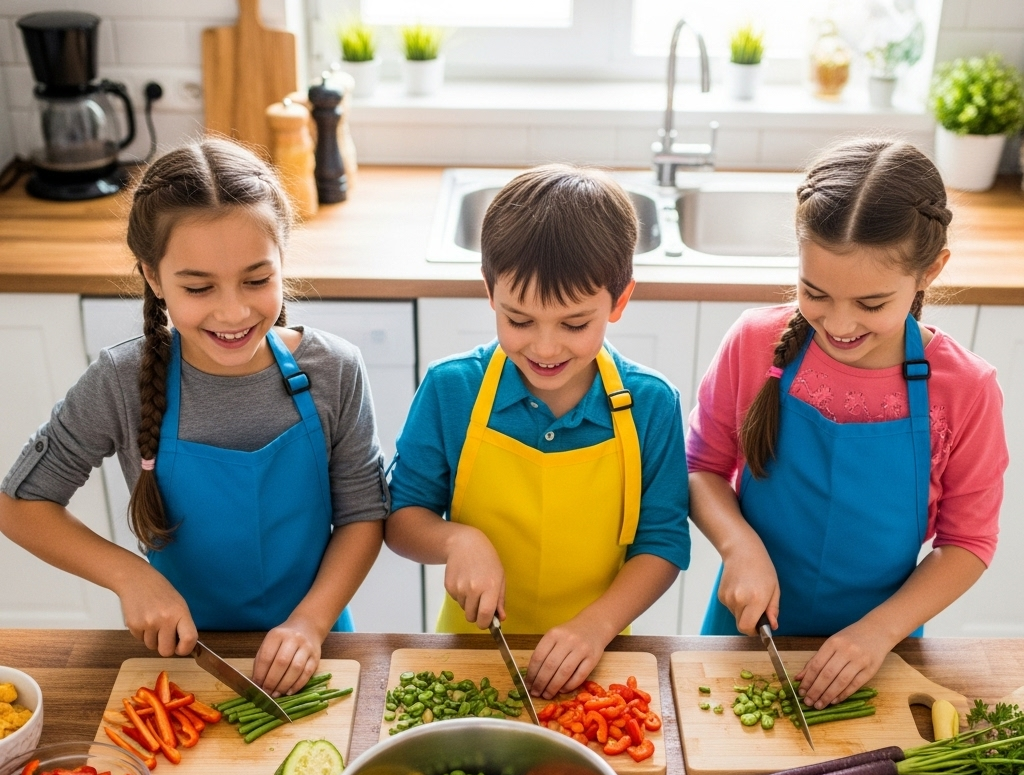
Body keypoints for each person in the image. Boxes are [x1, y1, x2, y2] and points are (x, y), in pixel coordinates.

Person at [0, 139, 389, 696]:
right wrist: (130, 576)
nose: (233, 311)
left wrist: (310, 622)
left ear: (282, 261)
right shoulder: (120, 381)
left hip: (314, 645)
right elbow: (19, 505)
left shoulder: (335, 370)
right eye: (199, 287)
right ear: (154, 278)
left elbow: (364, 515)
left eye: (256, 280)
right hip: (181, 659)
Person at [687, 138, 1007, 709]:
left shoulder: (966, 389)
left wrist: (879, 632)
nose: (838, 323)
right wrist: (739, 547)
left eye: (870, 304)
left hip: (881, 650)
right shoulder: (754, 343)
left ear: (930, 270)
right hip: (745, 637)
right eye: (815, 293)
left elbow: (968, 542)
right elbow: (701, 468)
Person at [385, 164, 691, 699]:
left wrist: (596, 625)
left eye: (574, 324)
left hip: (597, 657)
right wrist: (457, 539)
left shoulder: (650, 404)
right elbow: (400, 519)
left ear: (619, 301)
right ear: (490, 292)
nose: (545, 348)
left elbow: (662, 543)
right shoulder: (451, 390)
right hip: (470, 658)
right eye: (519, 321)